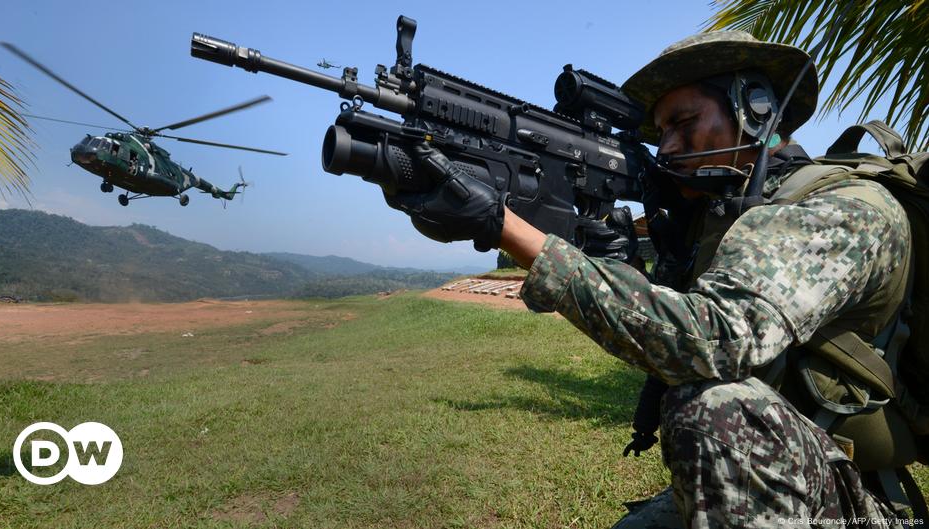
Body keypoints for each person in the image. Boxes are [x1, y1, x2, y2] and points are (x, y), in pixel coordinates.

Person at [385, 31, 916, 527]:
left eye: (684, 124)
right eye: (661, 132)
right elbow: (660, 325)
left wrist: (507, 230)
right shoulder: (718, 222)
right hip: (773, 471)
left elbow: (712, 340)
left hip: (854, 498)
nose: (666, 148)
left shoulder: (840, 208)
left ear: (756, 110)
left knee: (715, 412)